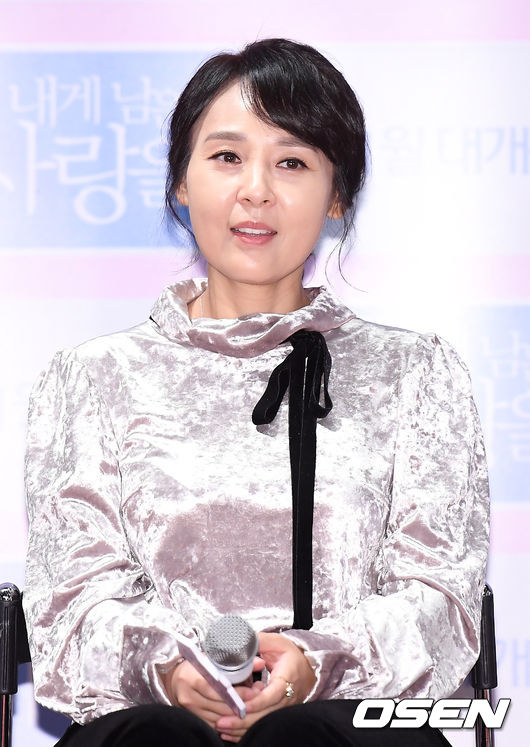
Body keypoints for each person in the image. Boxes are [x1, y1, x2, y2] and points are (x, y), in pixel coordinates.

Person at [23, 38, 489, 747]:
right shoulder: (89, 378)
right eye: (226, 157)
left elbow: (440, 600)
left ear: (338, 195)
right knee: (155, 739)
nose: (256, 190)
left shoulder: (416, 374)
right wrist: (168, 670)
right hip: (155, 725)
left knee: (302, 739)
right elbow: (71, 605)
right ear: (181, 182)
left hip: (347, 725)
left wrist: (316, 665)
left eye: (292, 162)